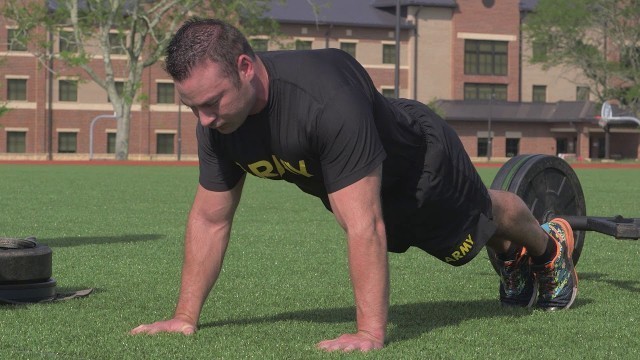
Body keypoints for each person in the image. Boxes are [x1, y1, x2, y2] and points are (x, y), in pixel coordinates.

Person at [130, 18, 578, 352]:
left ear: (245, 67)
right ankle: (513, 256)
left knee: (479, 223)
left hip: (421, 165)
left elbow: (364, 224)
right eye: (193, 109)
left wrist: (369, 332)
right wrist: (184, 316)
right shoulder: (218, 125)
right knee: (452, 236)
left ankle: (548, 247)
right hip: (361, 185)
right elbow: (210, 219)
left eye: (211, 103)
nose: (204, 121)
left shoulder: (324, 99)